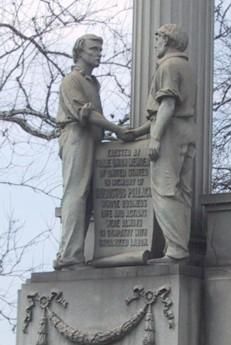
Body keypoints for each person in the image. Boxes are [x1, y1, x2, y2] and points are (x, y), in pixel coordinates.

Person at [54, 34, 127, 270]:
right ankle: (69, 256)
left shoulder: (93, 83)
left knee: (86, 197)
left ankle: (69, 254)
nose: (98, 53)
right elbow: (85, 115)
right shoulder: (71, 80)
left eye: (100, 49)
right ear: (80, 51)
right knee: (76, 194)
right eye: (94, 49)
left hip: (92, 139)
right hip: (77, 136)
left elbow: (95, 116)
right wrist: (117, 129)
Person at [127, 24, 197, 264]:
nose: (155, 43)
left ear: (167, 40)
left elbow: (167, 106)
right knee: (183, 192)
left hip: (170, 133)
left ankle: (176, 250)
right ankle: (178, 246)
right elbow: (167, 110)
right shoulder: (185, 66)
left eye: (157, 38)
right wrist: (139, 131)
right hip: (185, 131)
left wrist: (155, 137)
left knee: (165, 190)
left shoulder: (168, 66)